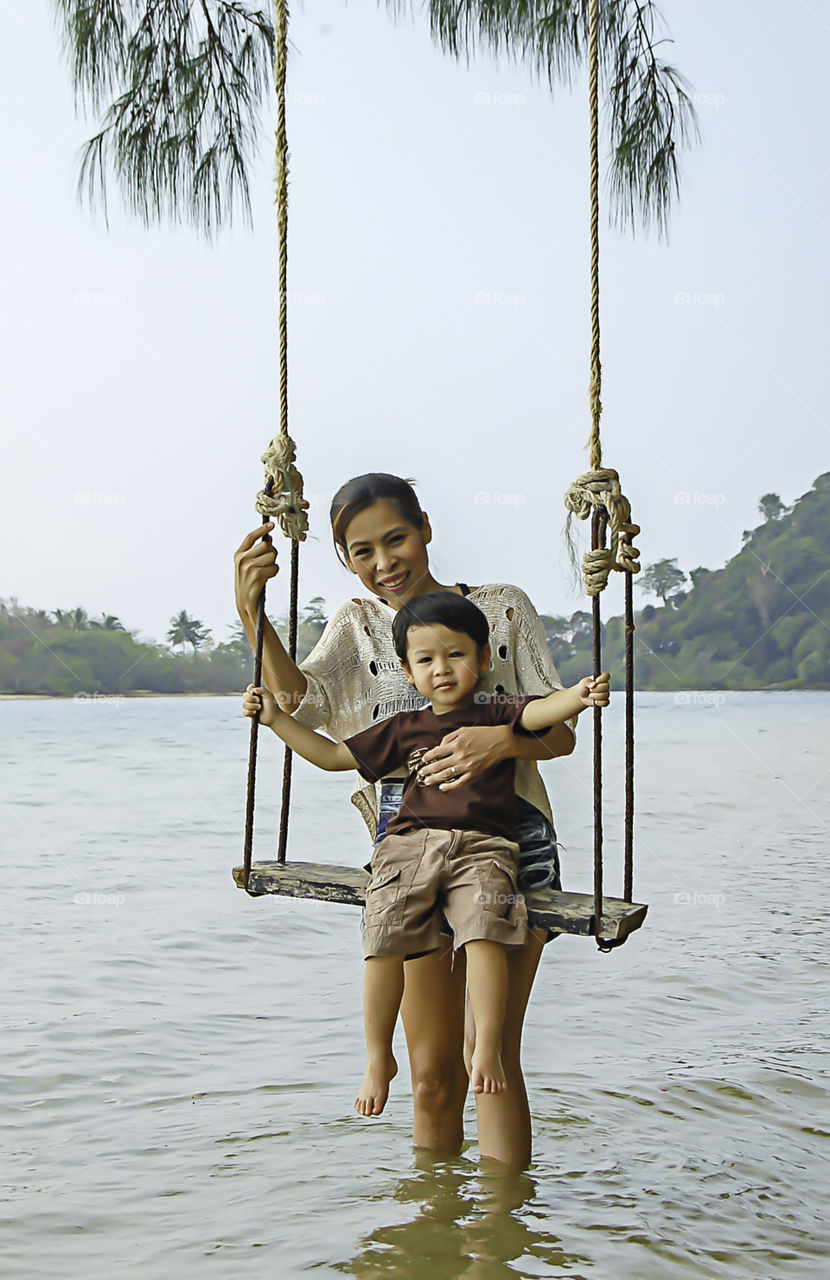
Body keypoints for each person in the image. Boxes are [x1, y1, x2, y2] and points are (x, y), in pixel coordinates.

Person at [234, 472, 578, 1170]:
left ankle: (498, 1246)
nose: (383, 562)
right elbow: (306, 706)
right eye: (361, 551)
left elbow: (560, 731)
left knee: (495, 1059)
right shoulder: (358, 625)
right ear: (345, 559)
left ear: (425, 527)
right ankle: (431, 1234)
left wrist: (500, 739)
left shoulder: (500, 612)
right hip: (406, 847)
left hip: (507, 837)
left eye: (395, 539)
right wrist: (253, 617)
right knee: (431, 1072)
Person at [242, 591, 610, 1120]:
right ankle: (376, 1057)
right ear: (408, 671)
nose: (442, 670)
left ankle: (483, 1043)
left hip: (484, 845)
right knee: (383, 941)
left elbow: (544, 712)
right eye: (426, 660)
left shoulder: (495, 714)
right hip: (407, 845)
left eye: (456, 655)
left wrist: (578, 695)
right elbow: (329, 756)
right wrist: (277, 719)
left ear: (483, 659)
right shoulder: (403, 726)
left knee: (485, 929)